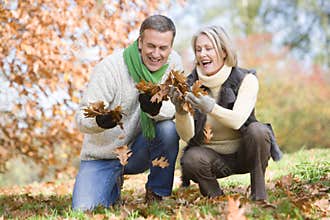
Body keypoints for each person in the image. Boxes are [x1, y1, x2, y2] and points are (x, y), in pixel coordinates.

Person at [72, 15, 184, 211]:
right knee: (85, 209)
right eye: (151, 46)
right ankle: (112, 182)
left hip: (139, 150)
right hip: (104, 154)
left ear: (171, 47)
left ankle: (158, 193)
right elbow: (81, 119)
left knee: (168, 130)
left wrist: (156, 110)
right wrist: (100, 121)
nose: (156, 54)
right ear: (140, 42)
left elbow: (178, 108)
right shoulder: (111, 68)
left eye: (163, 48)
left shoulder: (174, 64)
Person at [169, 25, 282, 201]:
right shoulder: (189, 85)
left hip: (246, 153)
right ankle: (216, 198)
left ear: (223, 51)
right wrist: (180, 111)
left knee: (259, 131)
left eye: (208, 48)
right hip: (212, 159)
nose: (202, 54)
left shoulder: (247, 79)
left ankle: (259, 196)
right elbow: (187, 136)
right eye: (198, 50)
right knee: (191, 158)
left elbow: (237, 120)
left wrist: (211, 107)